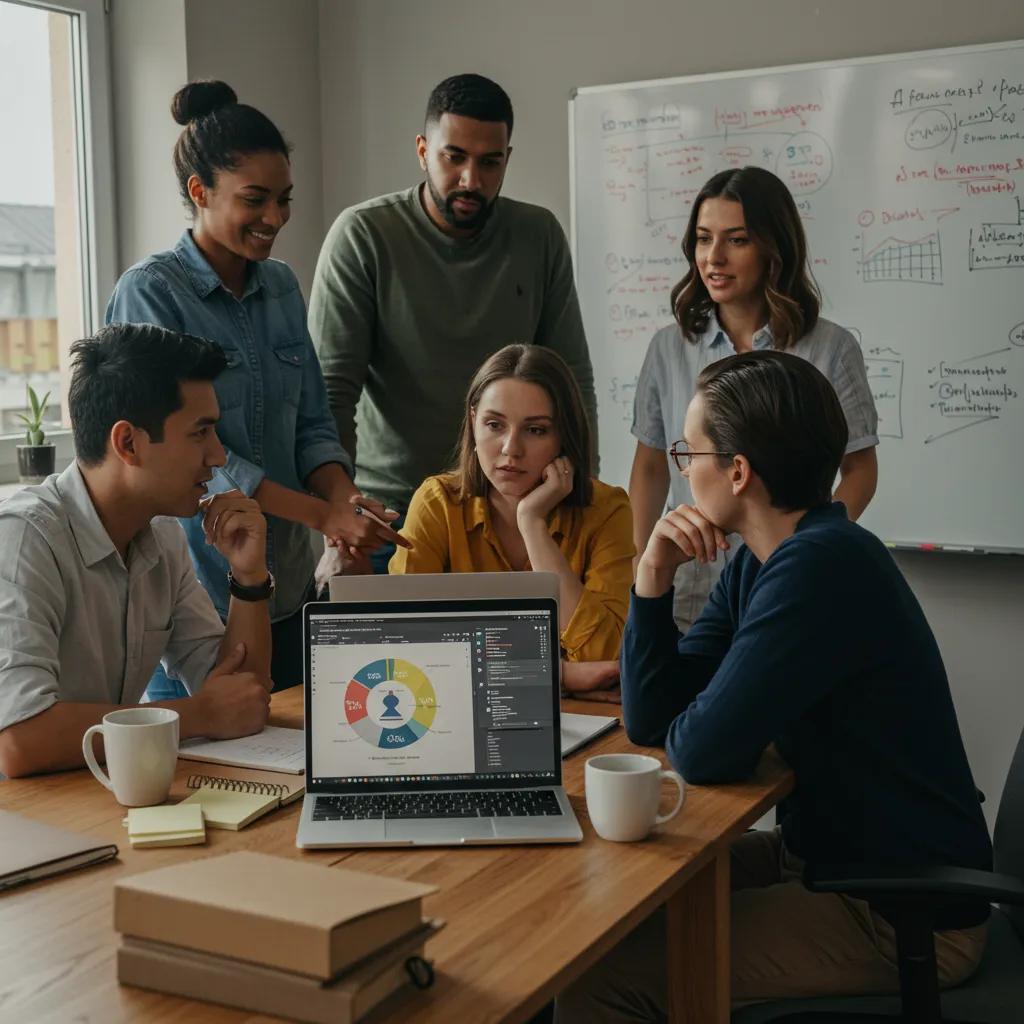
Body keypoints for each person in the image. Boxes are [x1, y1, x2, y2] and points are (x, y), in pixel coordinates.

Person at [557, 351, 991, 1017]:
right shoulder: (768, 561)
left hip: (898, 909)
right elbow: (653, 721)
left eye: (688, 452)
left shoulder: (819, 568)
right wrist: (650, 576)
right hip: (826, 863)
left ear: (737, 471)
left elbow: (701, 751)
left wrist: (699, 717)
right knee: (604, 920)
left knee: (603, 976)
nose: (681, 470)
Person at [106, 80, 402, 699]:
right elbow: (201, 464)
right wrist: (324, 515)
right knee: (202, 786)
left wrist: (346, 504)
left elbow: (315, 426)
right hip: (197, 599)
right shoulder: (151, 292)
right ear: (199, 191)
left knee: (292, 772)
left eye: (285, 200)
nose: (276, 218)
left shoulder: (282, 287)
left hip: (289, 592)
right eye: (255, 200)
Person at [310, 73, 597, 575]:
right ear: (423, 150)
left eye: (490, 162)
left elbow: (571, 381)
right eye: (454, 157)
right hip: (392, 520)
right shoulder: (364, 236)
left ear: (508, 157)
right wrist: (342, 510)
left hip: (512, 517)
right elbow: (331, 393)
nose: (471, 179)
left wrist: (581, 499)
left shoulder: (539, 235)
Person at [0, 323, 274, 779]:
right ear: (128, 442)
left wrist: (248, 579)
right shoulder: (24, 537)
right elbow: (18, 739)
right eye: (200, 433)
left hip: (99, 794)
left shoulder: (162, 535)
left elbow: (241, 695)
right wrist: (198, 715)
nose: (219, 456)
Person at [629, 165, 879, 628]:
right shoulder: (667, 347)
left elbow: (860, 469)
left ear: (772, 247)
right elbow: (649, 467)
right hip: (692, 584)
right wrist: (644, 562)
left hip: (789, 590)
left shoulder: (830, 348)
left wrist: (801, 551)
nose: (714, 258)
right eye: (704, 239)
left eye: (736, 240)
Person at [391, 345, 632, 664]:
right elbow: (404, 642)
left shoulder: (607, 509)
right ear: (474, 421)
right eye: (495, 425)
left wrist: (531, 523)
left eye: (535, 430)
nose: (511, 449)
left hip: (583, 712)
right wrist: (562, 676)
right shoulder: (438, 503)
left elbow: (609, 653)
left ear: (563, 435)